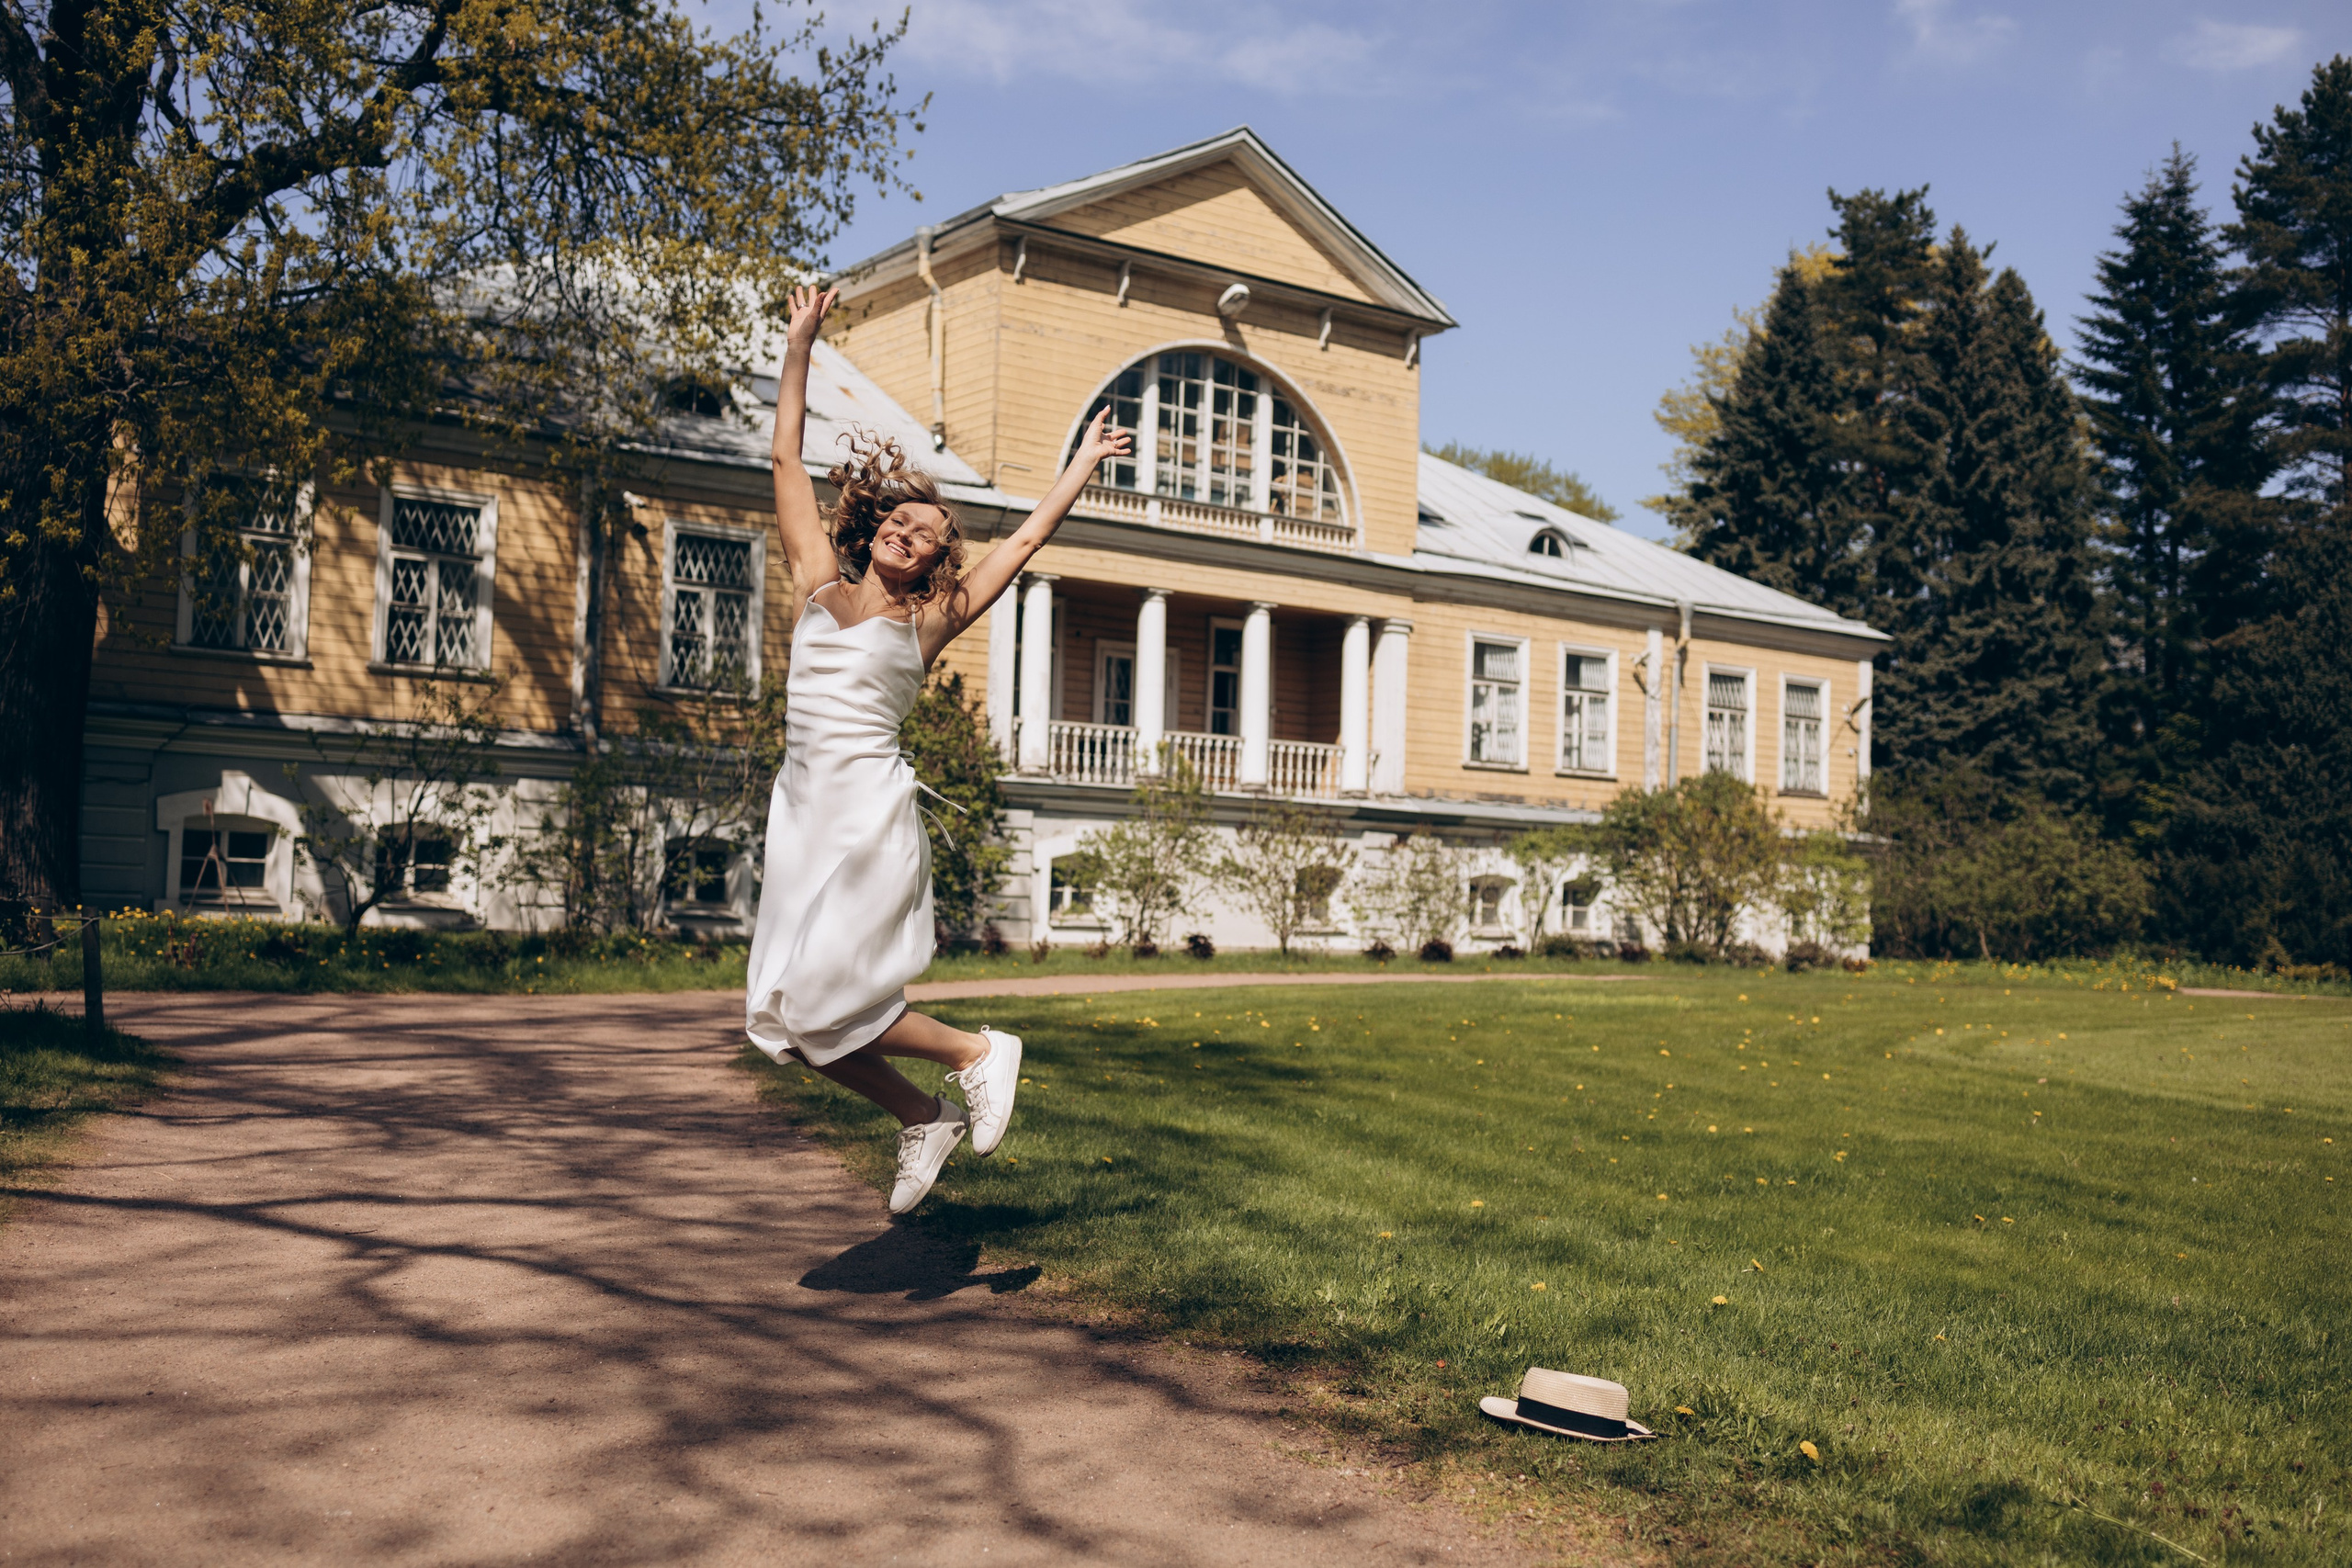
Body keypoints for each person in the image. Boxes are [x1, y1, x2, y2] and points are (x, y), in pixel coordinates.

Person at [746, 284, 1132, 1214]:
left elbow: (1025, 541)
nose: (905, 530)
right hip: (801, 814)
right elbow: (785, 455)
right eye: (900, 518)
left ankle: (978, 1051)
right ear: (876, 526)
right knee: (789, 1024)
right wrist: (800, 341)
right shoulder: (815, 582)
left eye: (924, 535)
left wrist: (1080, 464)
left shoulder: (929, 623)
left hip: (867, 815)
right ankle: (924, 1117)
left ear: (929, 564)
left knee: (830, 1002)